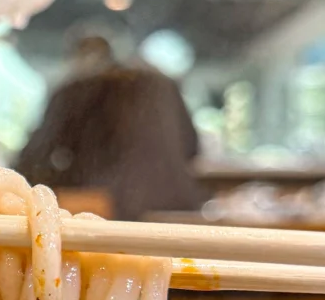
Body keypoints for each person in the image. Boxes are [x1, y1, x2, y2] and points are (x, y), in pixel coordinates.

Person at [15, 34, 202, 221]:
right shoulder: (163, 85)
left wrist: (61, 181)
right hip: (178, 205)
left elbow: (32, 161)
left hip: (106, 211)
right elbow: (192, 149)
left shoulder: (75, 89)